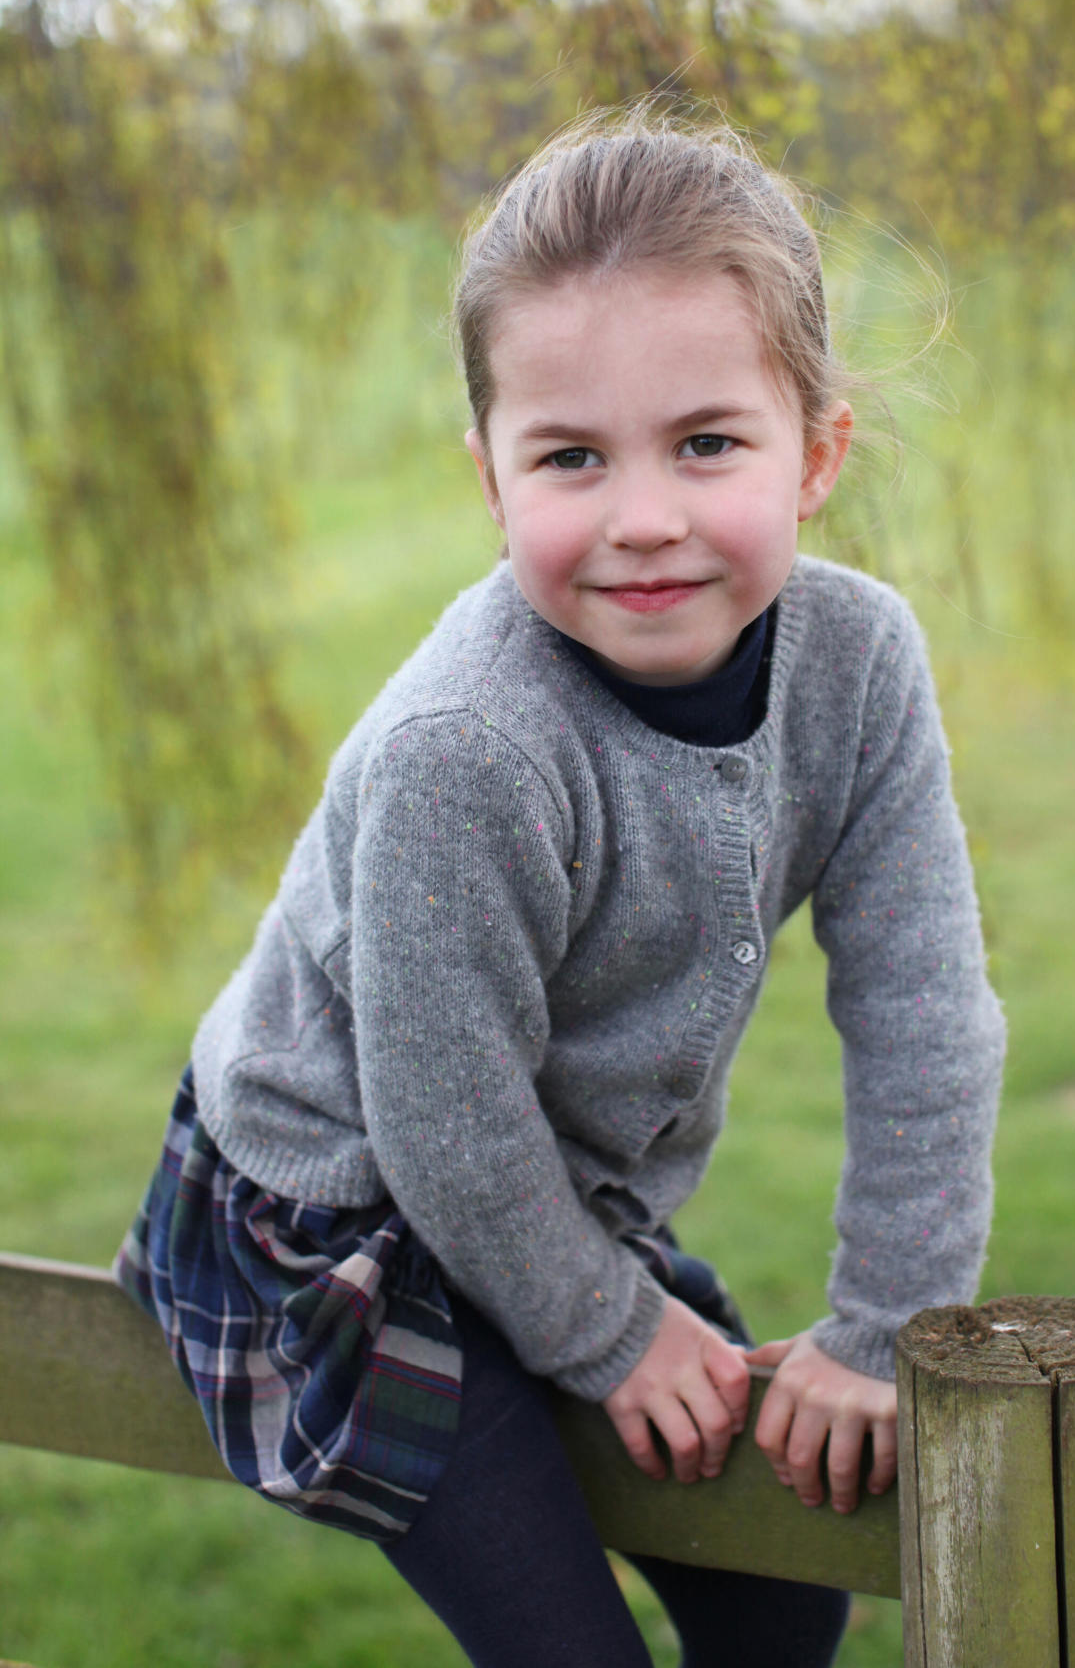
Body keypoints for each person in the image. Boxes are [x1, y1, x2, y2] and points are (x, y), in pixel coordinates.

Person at [115, 105, 1005, 1668]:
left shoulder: (859, 669)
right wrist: (609, 1330)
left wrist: (878, 1332)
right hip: (330, 1221)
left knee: (785, 1588)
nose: (643, 517)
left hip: (539, 1188)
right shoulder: (471, 749)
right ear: (489, 475)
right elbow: (438, 1114)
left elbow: (924, 1014)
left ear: (817, 451)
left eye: (708, 441)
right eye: (571, 458)